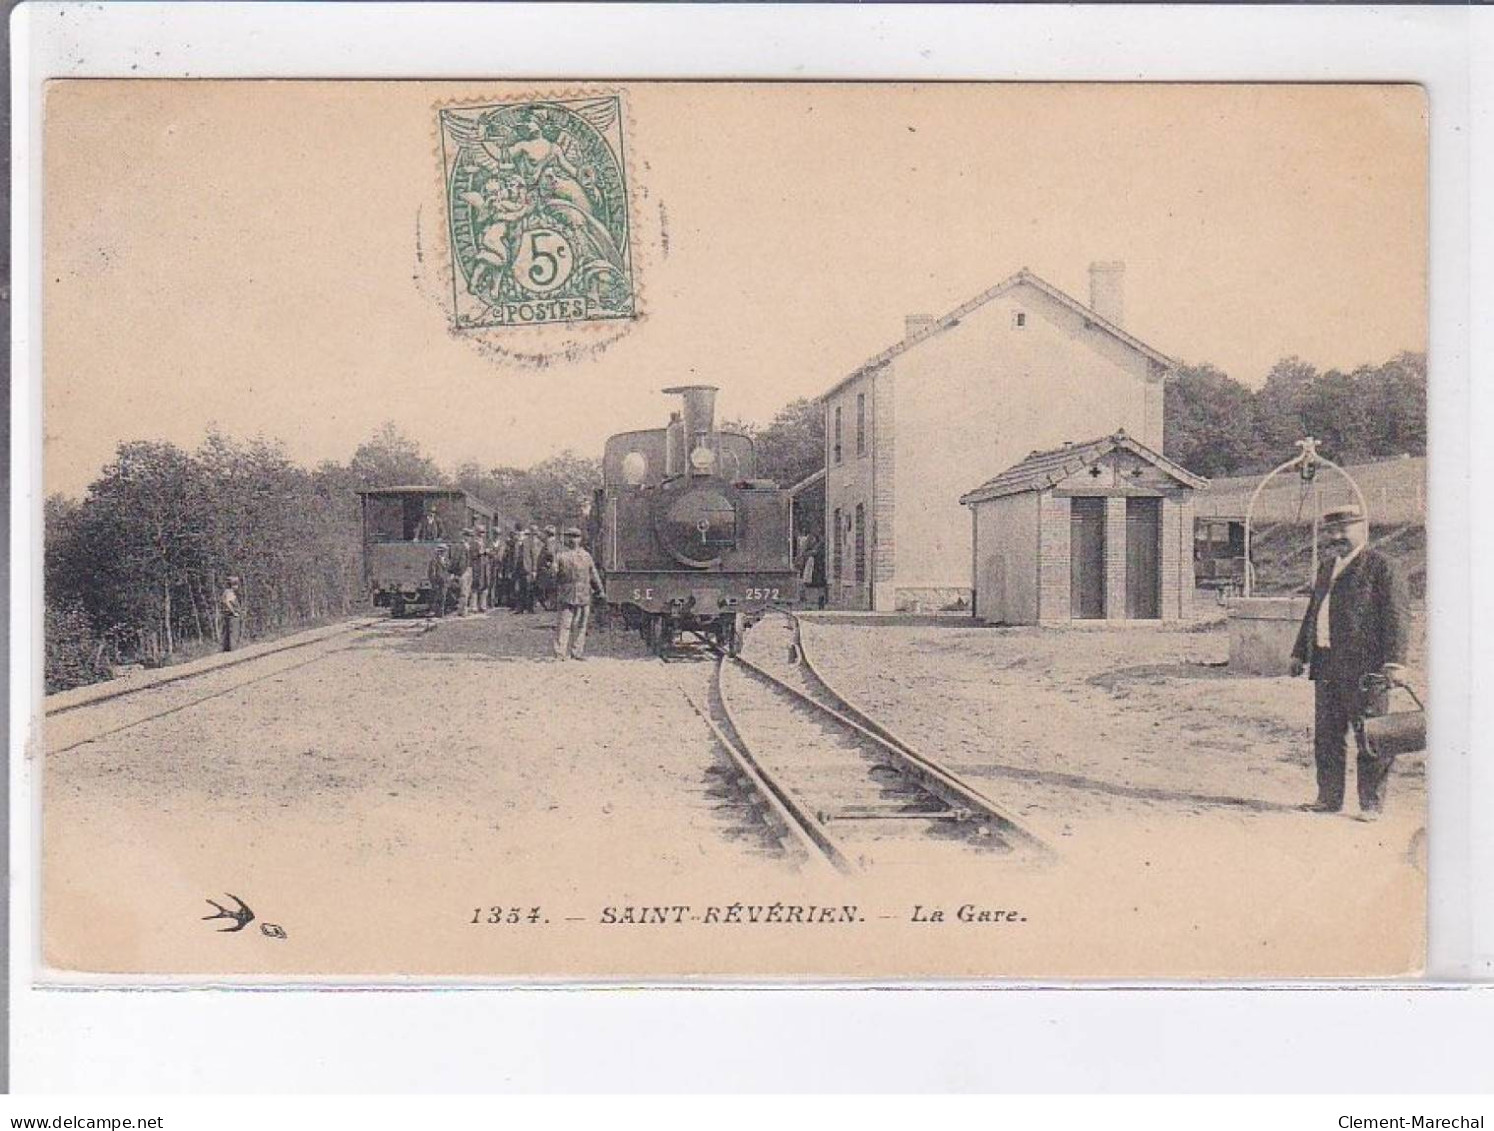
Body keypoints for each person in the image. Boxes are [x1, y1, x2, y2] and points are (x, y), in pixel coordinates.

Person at [1288, 505, 1410, 821]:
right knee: (1327, 736)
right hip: (1326, 665)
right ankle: (1328, 798)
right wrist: (1300, 652)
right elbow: (1313, 611)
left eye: (1345, 529)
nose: (1337, 536)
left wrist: (1395, 662)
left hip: (1366, 670)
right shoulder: (1326, 567)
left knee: (1371, 735)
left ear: (1363, 529)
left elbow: (1397, 617)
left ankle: (1371, 803)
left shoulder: (1382, 567)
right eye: (1332, 530)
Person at [552, 527, 604, 661]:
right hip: (577, 593)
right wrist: (600, 590)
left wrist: (599, 590)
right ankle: (565, 652)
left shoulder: (563, 556)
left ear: (580, 539)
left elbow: (593, 574)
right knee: (568, 624)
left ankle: (569, 652)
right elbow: (594, 575)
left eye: (575, 537)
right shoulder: (581, 556)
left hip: (574, 593)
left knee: (573, 624)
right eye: (572, 537)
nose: (574, 539)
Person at [448, 529, 474, 617]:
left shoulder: (469, 546)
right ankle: (462, 611)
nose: (469, 538)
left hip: (469, 569)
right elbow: (455, 560)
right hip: (462, 571)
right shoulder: (460, 547)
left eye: (470, 536)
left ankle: (464, 609)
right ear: (464, 536)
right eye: (468, 536)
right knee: (463, 591)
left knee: (467, 591)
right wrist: (453, 572)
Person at [219, 575, 243, 652]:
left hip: (226, 614)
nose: (237, 586)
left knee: (226, 633)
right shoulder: (230, 593)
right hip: (232, 615)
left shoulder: (225, 592)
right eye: (236, 584)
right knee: (234, 633)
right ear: (232, 585)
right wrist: (234, 612)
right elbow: (227, 602)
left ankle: (226, 649)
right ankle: (233, 650)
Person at [426, 546, 450, 618]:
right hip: (437, 580)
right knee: (436, 596)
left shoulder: (446, 560)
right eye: (440, 551)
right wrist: (433, 581)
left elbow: (448, 569)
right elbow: (431, 572)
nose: (441, 553)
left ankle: (441, 612)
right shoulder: (434, 560)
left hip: (444, 581)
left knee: (443, 596)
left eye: (443, 551)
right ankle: (435, 611)